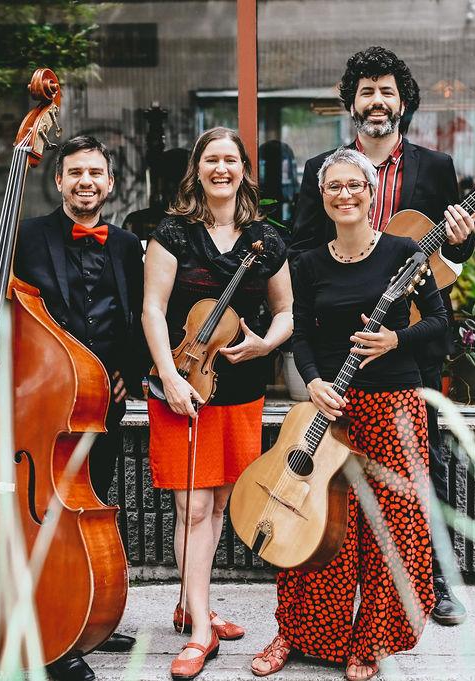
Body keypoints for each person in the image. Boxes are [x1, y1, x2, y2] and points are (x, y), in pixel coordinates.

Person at [289, 46, 475, 626]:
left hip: (409, 340)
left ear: (403, 103)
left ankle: (436, 582)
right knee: (340, 467)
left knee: (427, 465)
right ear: (351, 103)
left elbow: (448, 258)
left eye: (387, 91)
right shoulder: (322, 169)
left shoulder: (435, 167)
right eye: (366, 91)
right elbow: (299, 246)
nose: (377, 101)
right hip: (341, 345)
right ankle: (333, 585)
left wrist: (463, 238)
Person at [0, 135, 143, 681]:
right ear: (58, 182)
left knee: (88, 517)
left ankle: (85, 617)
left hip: (98, 408)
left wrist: (133, 370)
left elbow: (136, 320)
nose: (85, 182)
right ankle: (47, 636)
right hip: (42, 410)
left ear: (109, 182)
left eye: (95, 173)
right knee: (44, 524)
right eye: (74, 173)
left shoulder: (127, 245)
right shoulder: (26, 237)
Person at [251, 148, 445, 681]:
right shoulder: (308, 261)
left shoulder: (406, 253)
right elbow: (304, 335)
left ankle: (370, 641)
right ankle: (297, 630)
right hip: (331, 406)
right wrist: (312, 383)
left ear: (370, 191)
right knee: (315, 524)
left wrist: (394, 339)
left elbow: (439, 322)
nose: (345, 194)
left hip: (393, 404)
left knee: (392, 527)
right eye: (333, 186)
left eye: (353, 185)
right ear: (323, 196)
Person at [142, 127, 293, 680]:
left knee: (221, 504)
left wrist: (266, 343)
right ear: (198, 169)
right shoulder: (173, 234)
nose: (221, 168)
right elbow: (153, 313)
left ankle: (191, 601)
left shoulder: (267, 240)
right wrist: (169, 376)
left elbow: (286, 313)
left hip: (239, 390)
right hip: (181, 385)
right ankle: (201, 632)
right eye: (212, 159)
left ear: (243, 170)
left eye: (231, 159)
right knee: (195, 508)